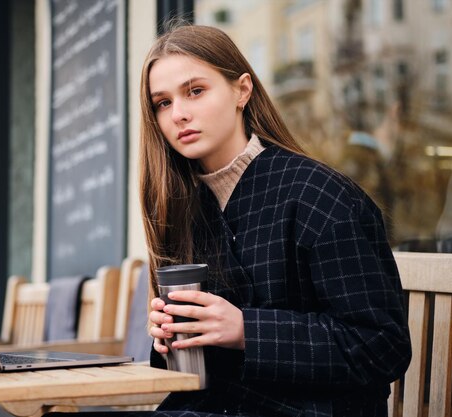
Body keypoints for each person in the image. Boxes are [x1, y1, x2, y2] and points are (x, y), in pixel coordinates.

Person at [48, 24, 411, 417]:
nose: (179, 114)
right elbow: (200, 376)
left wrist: (244, 329)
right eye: (162, 103)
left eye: (195, 91)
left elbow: (382, 346)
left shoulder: (321, 196)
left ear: (242, 90)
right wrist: (173, 339)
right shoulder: (185, 205)